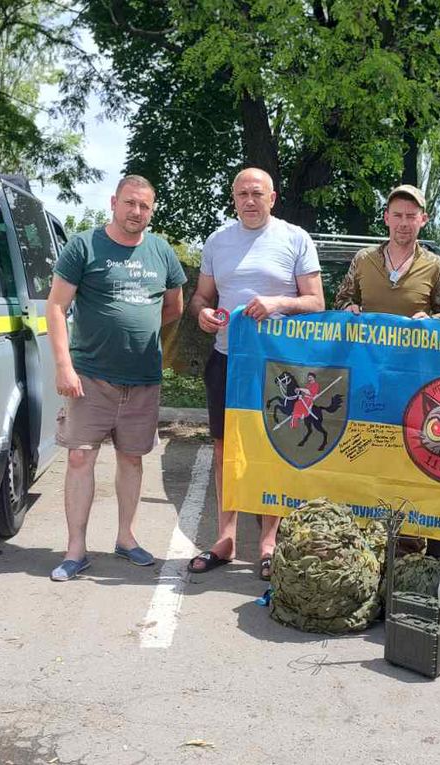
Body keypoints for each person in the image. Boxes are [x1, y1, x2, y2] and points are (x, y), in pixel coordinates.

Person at [46, 175, 187, 581]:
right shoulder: (84, 245)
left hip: (142, 378)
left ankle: (126, 538)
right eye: (129, 203)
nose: (136, 212)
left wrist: (135, 334)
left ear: (152, 209)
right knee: (79, 457)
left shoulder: (162, 252)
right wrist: (63, 366)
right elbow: (56, 307)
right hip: (89, 377)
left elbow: (173, 307)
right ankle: (76, 550)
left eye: (144, 205)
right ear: (114, 202)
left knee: (132, 458)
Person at [187, 168, 324, 580]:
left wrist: (279, 303)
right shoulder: (217, 241)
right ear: (233, 198)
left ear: (273, 198)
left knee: (271, 448)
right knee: (225, 449)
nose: (249, 200)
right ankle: (225, 539)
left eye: (257, 193)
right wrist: (203, 314)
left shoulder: (295, 238)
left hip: (278, 365)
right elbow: (200, 297)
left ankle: (268, 542)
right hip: (227, 357)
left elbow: (316, 302)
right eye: (242, 193)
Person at [333, 184, 440, 319]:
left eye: (411, 216)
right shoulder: (363, 259)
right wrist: (347, 308)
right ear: (387, 218)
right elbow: (341, 301)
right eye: (397, 215)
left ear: (423, 219)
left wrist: (432, 321)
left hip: (413, 340)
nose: (403, 223)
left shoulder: (435, 266)